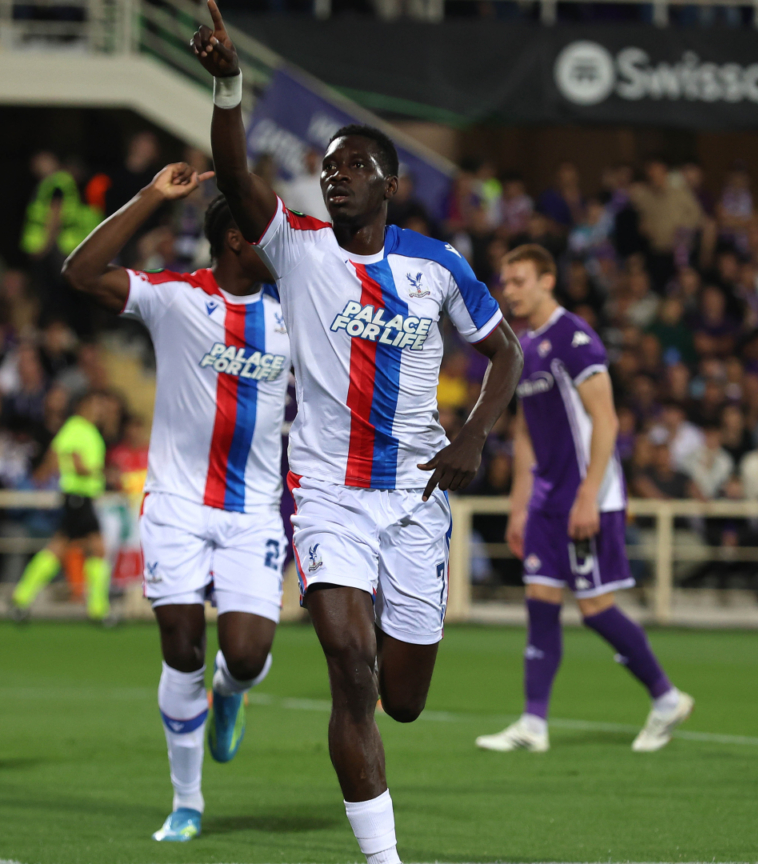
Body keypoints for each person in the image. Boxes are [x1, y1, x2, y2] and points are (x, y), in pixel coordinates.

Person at [192, 7, 523, 863]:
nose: (333, 178)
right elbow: (233, 172)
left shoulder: (438, 264)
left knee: (401, 699)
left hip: (415, 498)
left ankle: (361, 682)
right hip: (328, 492)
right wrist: (229, 86)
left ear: (390, 183)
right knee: (347, 662)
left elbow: (505, 352)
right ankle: (385, 859)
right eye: (327, 168)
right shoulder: (298, 248)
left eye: (351, 168)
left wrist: (477, 436)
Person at [58, 161, 290, 842]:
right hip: (178, 505)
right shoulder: (176, 297)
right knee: (181, 643)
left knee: (244, 655)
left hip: (253, 510)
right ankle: (186, 801)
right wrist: (150, 199)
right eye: (263, 230)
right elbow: (79, 273)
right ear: (237, 241)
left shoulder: (295, 318)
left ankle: (230, 693)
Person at [478, 245, 694, 756]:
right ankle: (533, 723)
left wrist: (588, 496)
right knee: (541, 603)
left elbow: (608, 420)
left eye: (520, 280)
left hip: (587, 495)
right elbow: (527, 434)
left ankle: (666, 697)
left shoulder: (574, 337)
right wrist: (518, 506)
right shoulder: (522, 346)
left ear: (548, 280)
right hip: (547, 500)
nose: (509, 290)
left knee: (596, 609)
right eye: (505, 282)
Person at [11, 390, 115, 623]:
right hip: (78, 496)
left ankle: (21, 598)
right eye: (96, 405)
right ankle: (99, 610)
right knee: (96, 548)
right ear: (84, 407)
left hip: (80, 498)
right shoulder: (76, 428)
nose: (100, 411)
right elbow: (76, 463)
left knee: (59, 548)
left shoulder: (87, 430)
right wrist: (106, 473)